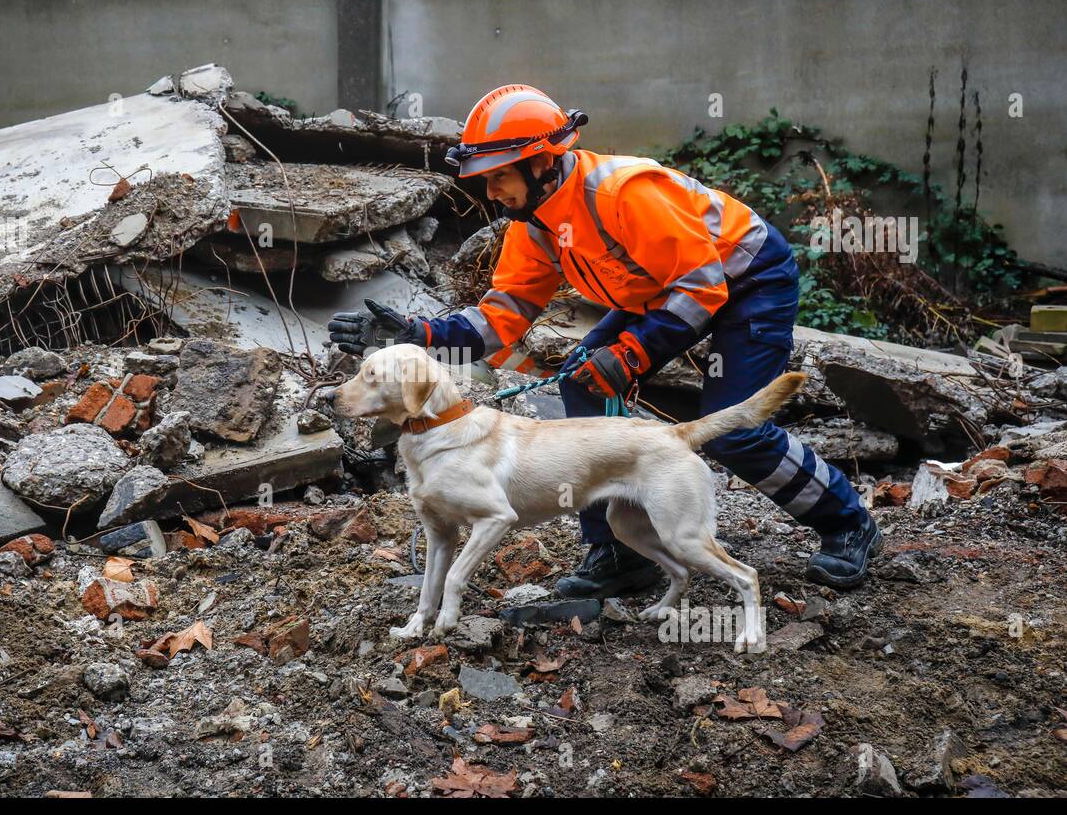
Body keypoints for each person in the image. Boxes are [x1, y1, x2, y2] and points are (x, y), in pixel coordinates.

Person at [329, 84, 880, 598]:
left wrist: (631, 353)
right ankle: (618, 553)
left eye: (498, 176)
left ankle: (849, 525)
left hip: (745, 281)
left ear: (541, 161)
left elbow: (703, 287)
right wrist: (417, 333)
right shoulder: (534, 221)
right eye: (484, 177)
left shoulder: (623, 193)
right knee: (584, 380)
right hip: (662, 293)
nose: (489, 190)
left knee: (737, 431)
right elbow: (504, 316)